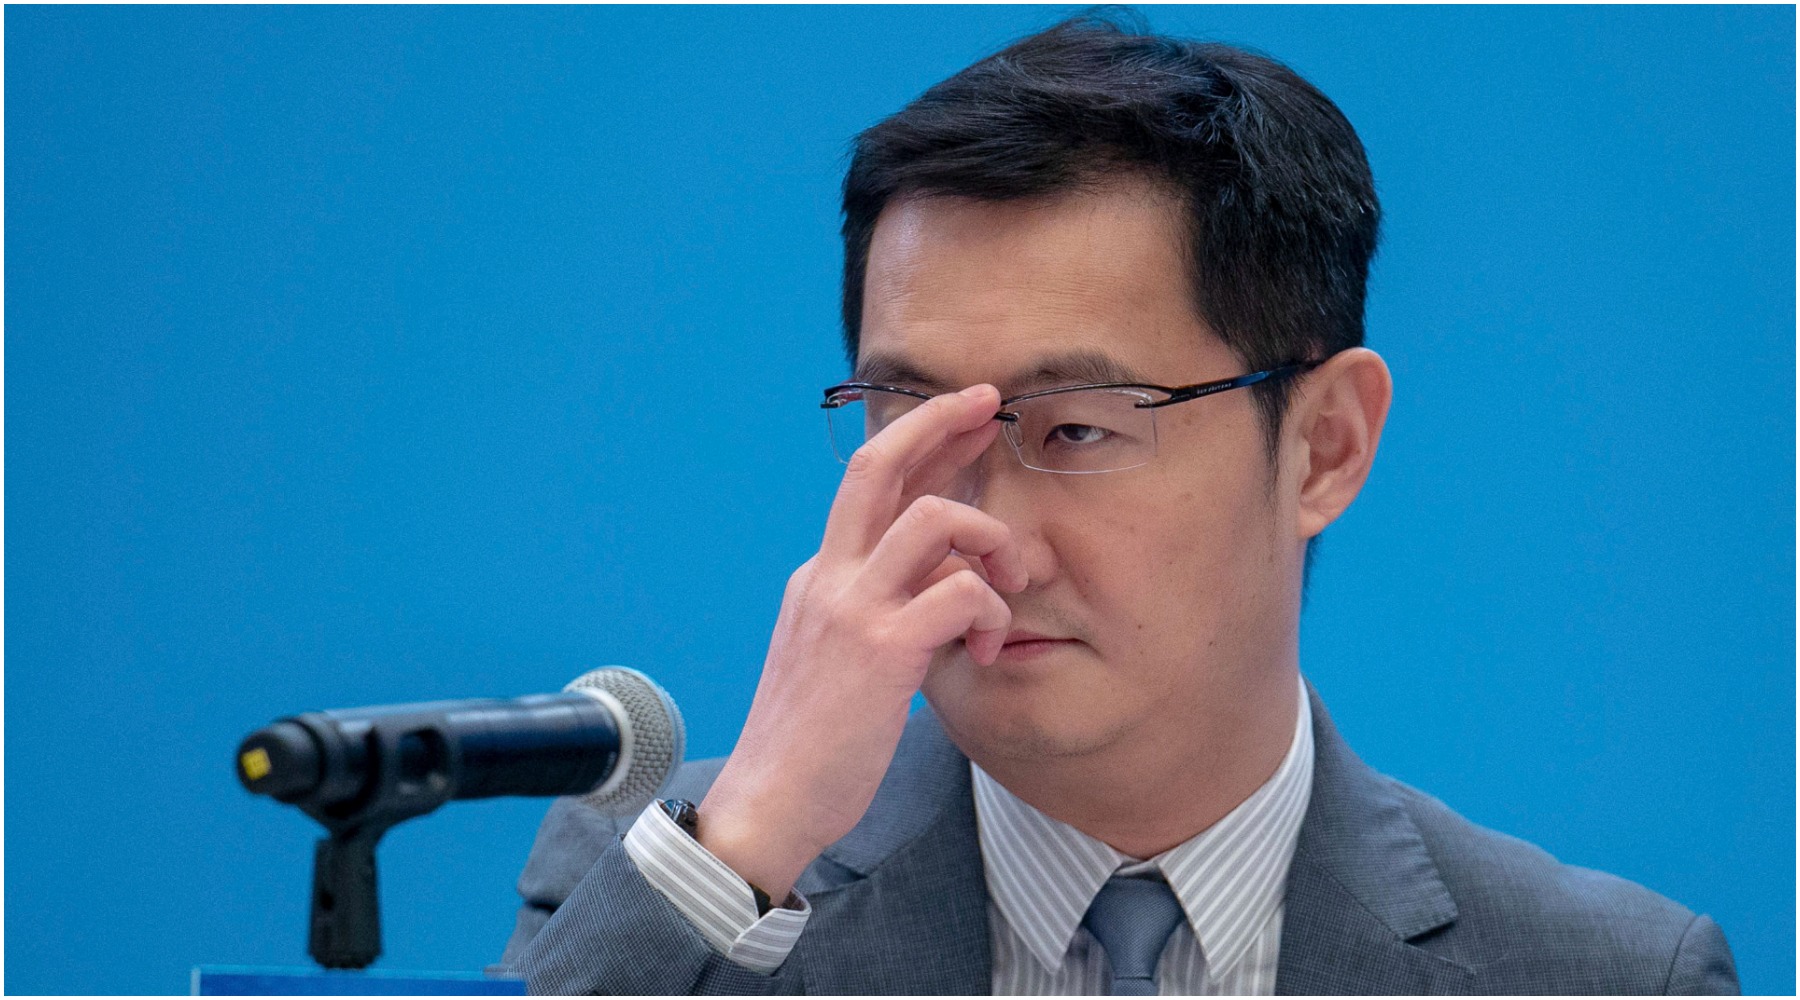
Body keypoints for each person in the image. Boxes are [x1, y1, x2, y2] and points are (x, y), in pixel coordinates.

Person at [499, 13, 1739, 995]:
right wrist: (748, 841)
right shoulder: (664, 884)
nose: (985, 541)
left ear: (1325, 445)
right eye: (914, 422)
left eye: (1077, 428)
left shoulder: (1607, 975)